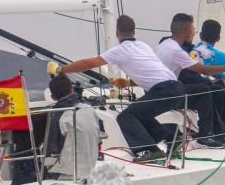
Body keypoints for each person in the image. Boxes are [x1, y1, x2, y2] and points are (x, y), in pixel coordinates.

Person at [48, 14, 183, 162]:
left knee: (125, 117)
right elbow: (153, 73)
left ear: (117, 33)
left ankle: (149, 150)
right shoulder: (143, 46)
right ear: (134, 32)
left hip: (164, 90)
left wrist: (61, 69)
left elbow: (89, 64)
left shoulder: (120, 50)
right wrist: (128, 83)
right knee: (139, 114)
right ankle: (173, 140)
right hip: (177, 88)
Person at [156, 13, 225, 146]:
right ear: (187, 31)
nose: (194, 33)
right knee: (207, 91)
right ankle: (208, 135)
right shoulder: (177, 51)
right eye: (193, 30)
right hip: (169, 93)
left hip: (166, 89)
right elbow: (202, 70)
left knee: (215, 88)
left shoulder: (166, 44)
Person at [43, 74, 101, 179]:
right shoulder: (90, 110)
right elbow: (101, 136)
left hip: (66, 176)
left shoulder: (58, 117)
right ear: (72, 90)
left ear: (53, 97)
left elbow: (50, 153)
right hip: (90, 171)